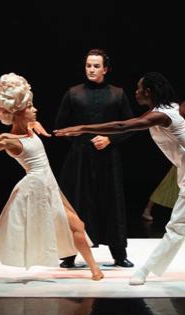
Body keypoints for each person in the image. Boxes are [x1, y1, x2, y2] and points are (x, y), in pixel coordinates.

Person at [55, 72, 185, 285]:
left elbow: (122, 126)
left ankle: (144, 272)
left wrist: (82, 127)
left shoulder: (161, 115)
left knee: (179, 225)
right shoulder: (165, 109)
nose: (136, 91)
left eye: (139, 88)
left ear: (149, 91)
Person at [0, 73, 104, 284]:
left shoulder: (29, 129)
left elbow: (32, 127)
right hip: (31, 189)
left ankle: (94, 269)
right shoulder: (12, 140)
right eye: (30, 107)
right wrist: (3, 136)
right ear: (18, 113)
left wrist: (32, 124)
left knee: (78, 225)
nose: (35, 109)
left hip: (49, 185)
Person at [55, 49, 134, 268]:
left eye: (96, 66)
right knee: (77, 202)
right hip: (80, 159)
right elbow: (61, 126)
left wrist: (110, 139)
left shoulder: (117, 94)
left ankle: (119, 254)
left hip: (108, 157)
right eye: (89, 65)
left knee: (112, 202)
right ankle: (69, 254)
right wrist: (79, 141)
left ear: (105, 69)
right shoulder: (73, 93)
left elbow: (130, 126)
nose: (91, 69)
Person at [142, 98, 185, 221]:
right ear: (180, 103)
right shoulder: (173, 116)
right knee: (168, 185)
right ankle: (148, 210)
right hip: (181, 160)